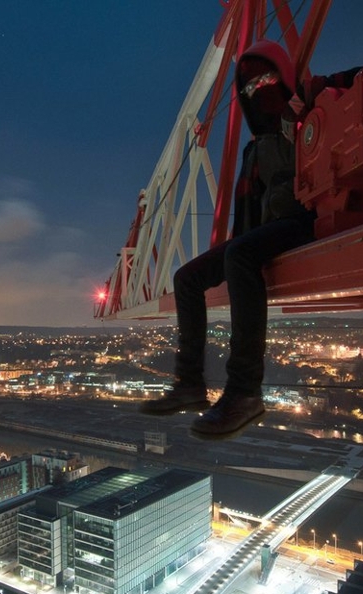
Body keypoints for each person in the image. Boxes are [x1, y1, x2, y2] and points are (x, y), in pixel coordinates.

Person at [139, 40, 317, 440]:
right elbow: (247, 214)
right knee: (187, 277)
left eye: (268, 79)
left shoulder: (311, 110)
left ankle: (244, 393)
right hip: (264, 234)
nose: (259, 91)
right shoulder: (255, 150)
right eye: (250, 88)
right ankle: (189, 384)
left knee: (240, 254)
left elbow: (361, 79)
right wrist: (233, 252)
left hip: (307, 220)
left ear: (286, 79)